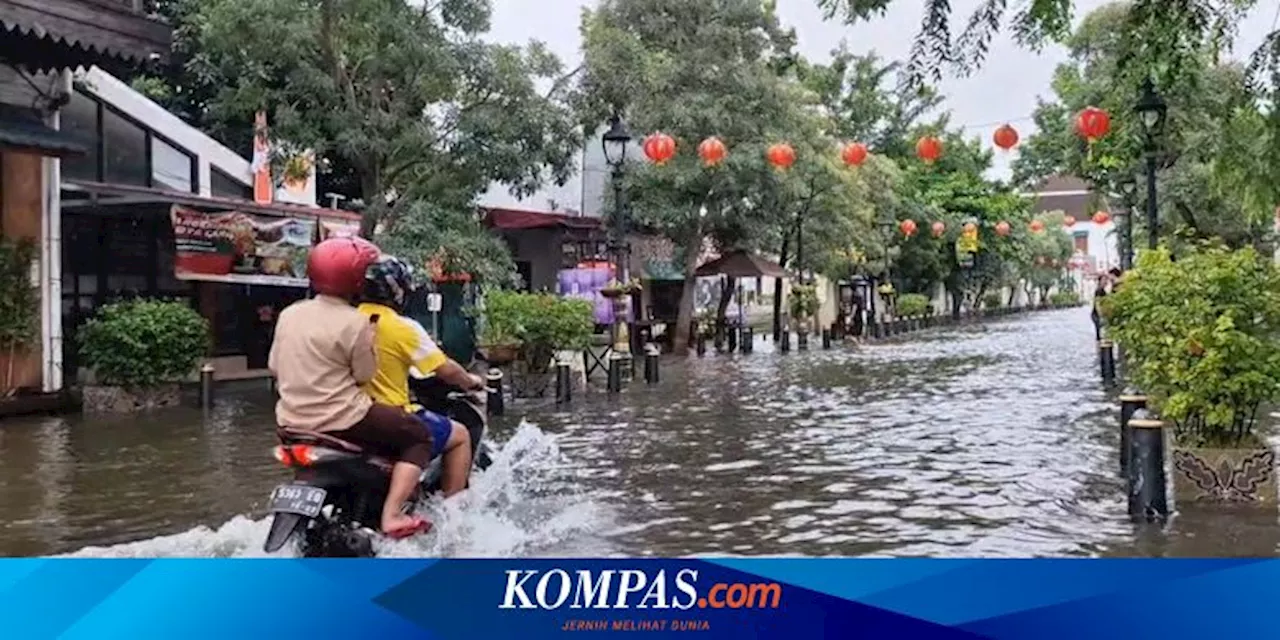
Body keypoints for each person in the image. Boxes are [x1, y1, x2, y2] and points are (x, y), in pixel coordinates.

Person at [268, 237, 433, 539]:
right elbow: (364, 375)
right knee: (419, 435)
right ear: (355, 279)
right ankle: (393, 515)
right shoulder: (355, 322)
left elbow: (275, 367)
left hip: (291, 423)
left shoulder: (290, 314)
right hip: (344, 418)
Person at [358, 255, 485, 496]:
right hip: (388, 416)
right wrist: (471, 381)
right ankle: (453, 512)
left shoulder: (345, 321)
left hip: (345, 415)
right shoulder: (402, 327)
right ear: (399, 290)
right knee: (459, 435)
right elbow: (446, 369)